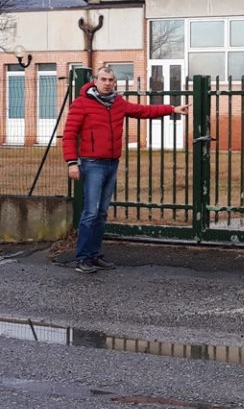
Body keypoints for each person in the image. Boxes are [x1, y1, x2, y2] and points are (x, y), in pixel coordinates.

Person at [62, 66, 189, 274]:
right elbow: (69, 134)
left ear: (115, 83)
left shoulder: (117, 103)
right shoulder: (82, 103)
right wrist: (72, 162)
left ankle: (94, 254)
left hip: (112, 163)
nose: (107, 83)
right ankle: (83, 257)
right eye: (103, 79)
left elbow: (142, 111)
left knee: (102, 213)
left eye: (111, 80)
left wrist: (172, 109)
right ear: (95, 81)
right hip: (92, 163)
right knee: (90, 212)